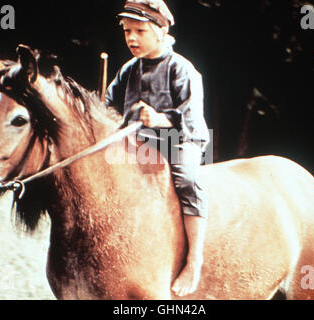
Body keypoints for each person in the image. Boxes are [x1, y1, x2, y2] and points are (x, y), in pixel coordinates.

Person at [105, 0, 210, 297]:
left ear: (161, 31)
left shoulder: (183, 70)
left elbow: (190, 120)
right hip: (137, 143)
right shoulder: (128, 70)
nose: (131, 38)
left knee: (188, 178)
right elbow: (109, 108)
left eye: (139, 30)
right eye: (127, 31)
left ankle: (194, 260)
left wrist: (162, 119)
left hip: (179, 141)